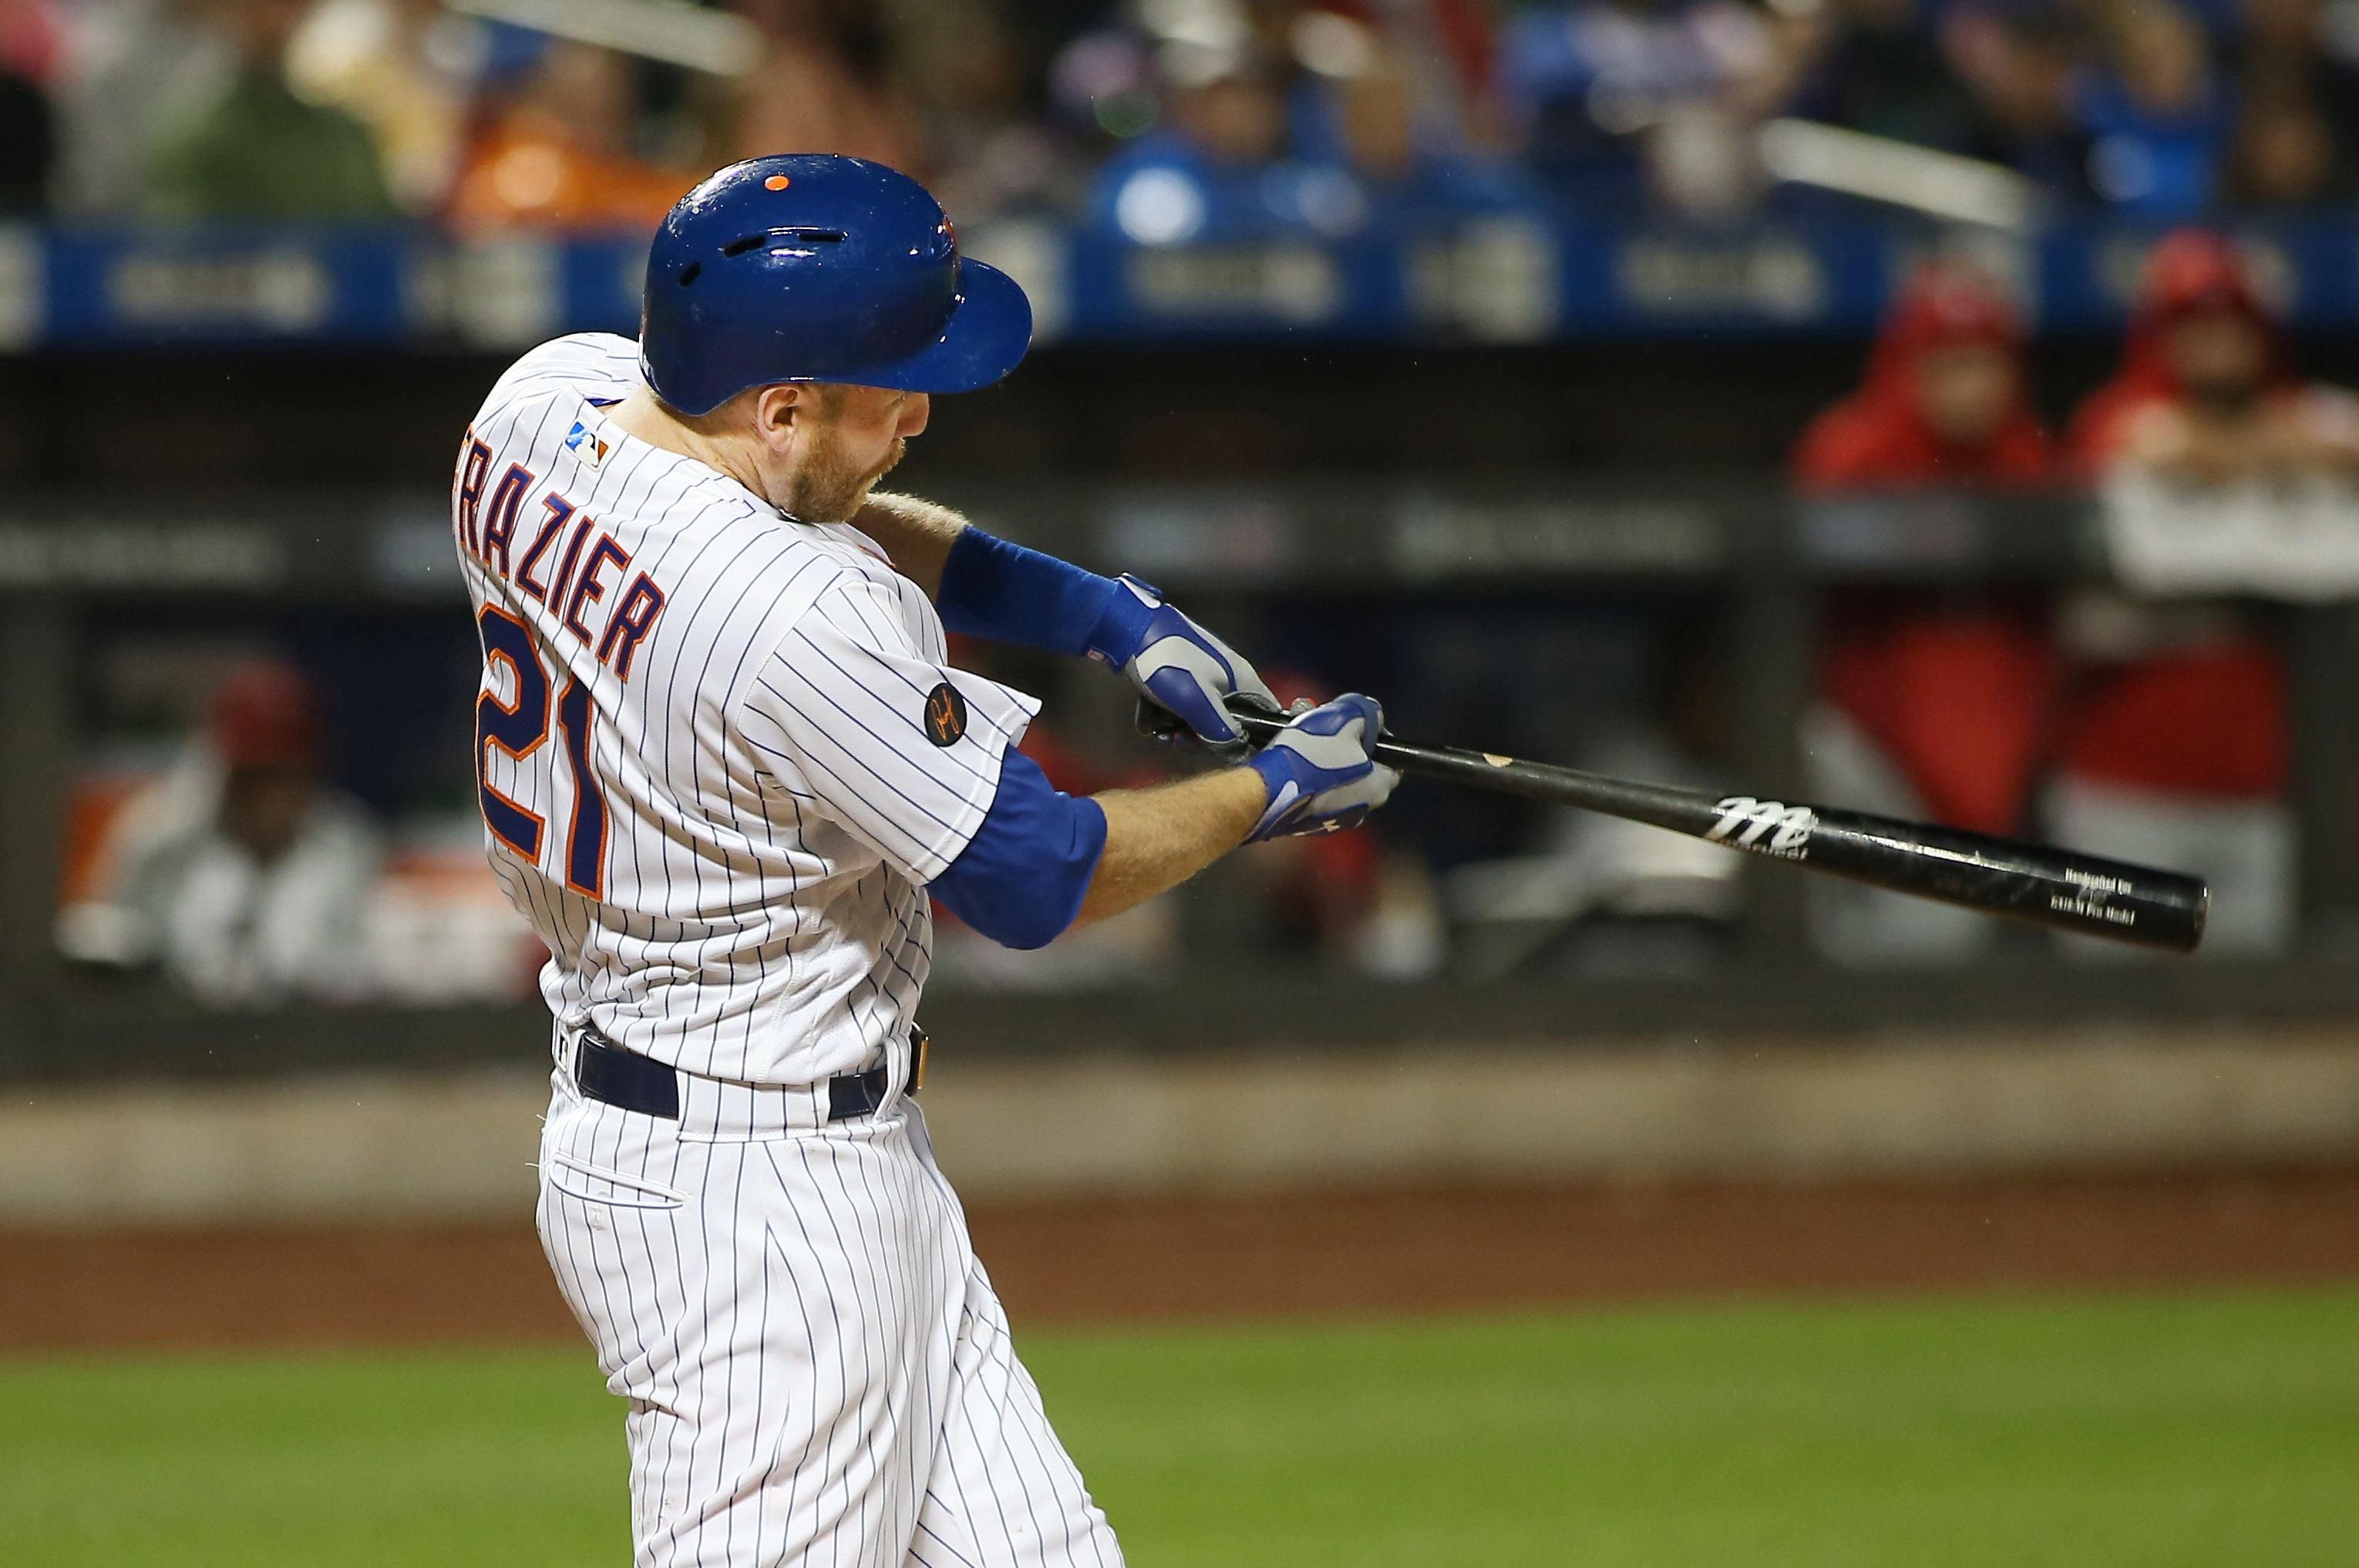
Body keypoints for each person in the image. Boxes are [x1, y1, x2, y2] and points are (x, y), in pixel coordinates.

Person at [455, 153, 1395, 1566]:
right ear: (778, 405)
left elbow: (795, 495)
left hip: (752, 1128)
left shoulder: (547, 401)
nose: (922, 412)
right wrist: (1270, 789)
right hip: (755, 1199)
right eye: (890, 383)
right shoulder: (798, 613)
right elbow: (1039, 873)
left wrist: (1097, 613)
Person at [1792, 263, 2064, 963]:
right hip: (1872, 749)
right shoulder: (1851, 449)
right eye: (1947, 363)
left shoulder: (2031, 459)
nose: (1970, 385)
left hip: (1998, 754)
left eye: (1986, 362)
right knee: (1915, 939)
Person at [59, 660, 380, 1003]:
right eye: (248, 774)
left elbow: (364, 976)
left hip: (304, 1043)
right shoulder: (159, 833)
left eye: (278, 774)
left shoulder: (347, 844)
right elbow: (101, 952)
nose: (263, 795)